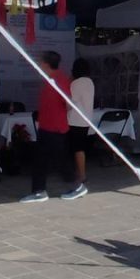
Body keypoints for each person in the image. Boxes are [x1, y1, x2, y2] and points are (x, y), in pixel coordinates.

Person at [20, 51, 71, 203]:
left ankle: (77, 185)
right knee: (40, 160)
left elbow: (68, 103)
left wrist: (58, 115)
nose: (39, 64)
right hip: (47, 126)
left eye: (40, 61)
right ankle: (39, 191)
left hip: (55, 128)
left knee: (61, 160)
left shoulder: (59, 79)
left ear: (46, 64)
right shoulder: (51, 79)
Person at [62, 58, 93, 200]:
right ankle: (80, 174)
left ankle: (81, 175)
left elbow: (69, 103)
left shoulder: (75, 83)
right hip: (86, 120)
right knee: (80, 148)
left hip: (75, 120)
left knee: (77, 149)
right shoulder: (90, 82)